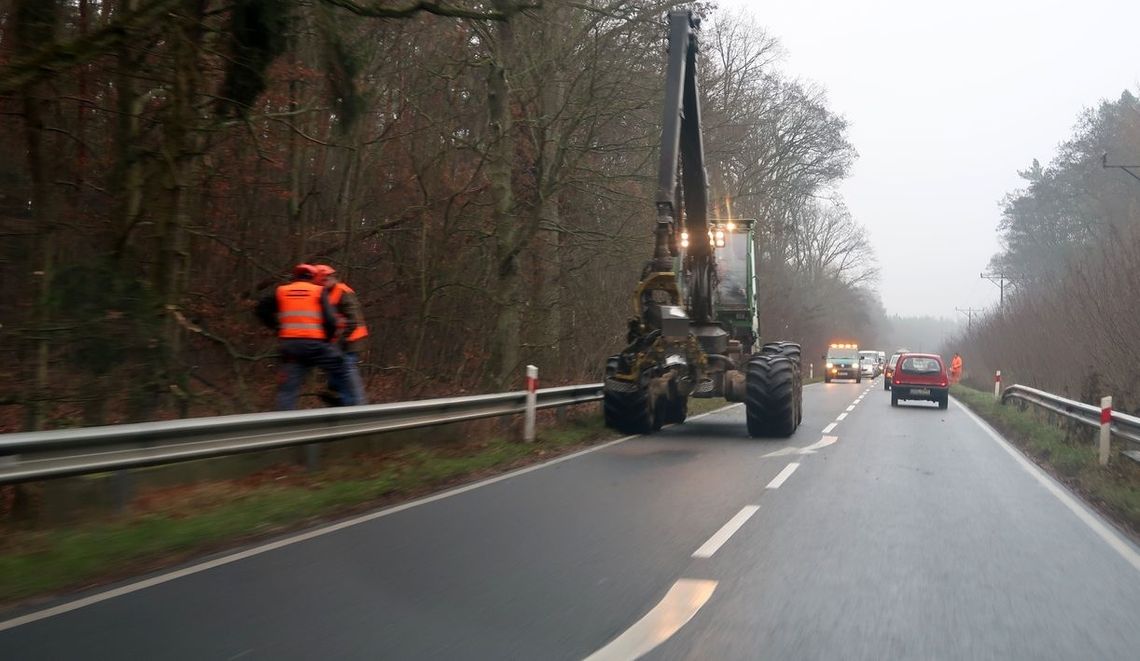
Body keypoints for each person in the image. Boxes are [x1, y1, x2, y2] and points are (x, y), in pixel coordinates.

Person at [255, 263, 355, 409]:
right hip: (315, 346)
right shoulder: (318, 291)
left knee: (287, 390)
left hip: (290, 348)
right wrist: (327, 340)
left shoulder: (282, 291)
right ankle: (347, 403)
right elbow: (331, 321)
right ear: (312, 277)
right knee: (342, 366)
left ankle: (284, 425)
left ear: (295, 277)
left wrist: (277, 328)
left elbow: (261, 309)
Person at [313, 264, 369, 405]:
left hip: (349, 342)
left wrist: (340, 341)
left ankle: (357, 408)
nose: (324, 283)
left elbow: (353, 320)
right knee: (337, 375)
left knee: (346, 375)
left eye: (327, 278)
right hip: (339, 343)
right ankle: (341, 405)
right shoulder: (327, 294)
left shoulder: (343, 292)